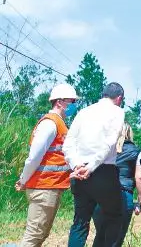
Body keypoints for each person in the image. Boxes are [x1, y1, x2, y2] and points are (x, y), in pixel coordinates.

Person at [15, 83, 79, 247]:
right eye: (70, 101)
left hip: (49, 187)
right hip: (43, 187)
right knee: (33, 237)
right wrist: (23, 179)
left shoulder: (59, 123)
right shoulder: (50, 123)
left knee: (40, 235)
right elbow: (34, 157)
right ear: (59, 102)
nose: (73, 105)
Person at [63, 82, 126, 247]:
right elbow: (109, 143)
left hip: (79, 171)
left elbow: (68, 143)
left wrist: (77, 165)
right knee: (114, 216)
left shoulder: (83, 112)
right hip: (103, 171)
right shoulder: (117, 112)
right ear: (119, 98)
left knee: (80, 221)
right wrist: (90, 167)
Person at [95, 123, 141, 247]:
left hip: (100, 194)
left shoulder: (105, 148)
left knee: (100, 236)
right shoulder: (137, 151)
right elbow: (139, 178)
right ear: (130, 133)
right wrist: (139, 200)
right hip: (123, 194)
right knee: (116, 239)